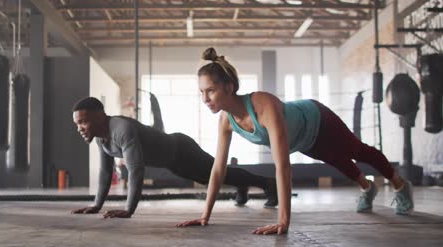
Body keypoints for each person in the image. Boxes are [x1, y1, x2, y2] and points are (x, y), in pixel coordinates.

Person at [176, 47, 414, 235]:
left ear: (229, 87)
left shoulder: (263, 106)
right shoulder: (226, 120)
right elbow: (218, 169)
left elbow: (283, 167)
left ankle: (400, 184)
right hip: (303, 140)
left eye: (210, 91)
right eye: (201, 92)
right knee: (336, 160)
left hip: (318, 119)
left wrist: (283, 221)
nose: (205, 99)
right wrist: (205, 215)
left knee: (355, 150)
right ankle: (367, 187)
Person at [71, 97, 277, 218]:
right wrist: (97, 205)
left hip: (181, 149)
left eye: (83, 122)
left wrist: (128, 209)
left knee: (213, 174)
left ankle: (268, 183)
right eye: (77, 124)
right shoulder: (101, 138)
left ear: (99, 116)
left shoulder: (121, 128)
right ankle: (242, 186)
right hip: (172, 161)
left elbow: (136, 170)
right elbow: (106, 172)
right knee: (210, 177)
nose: (79, 128)